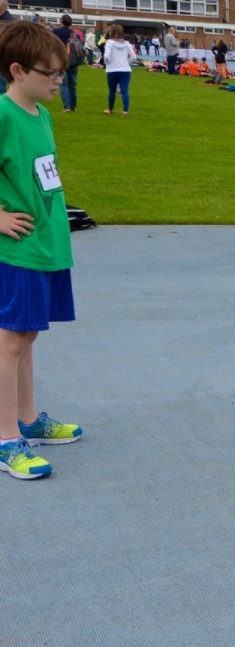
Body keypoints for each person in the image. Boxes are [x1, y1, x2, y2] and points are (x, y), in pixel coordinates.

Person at [0, 21, 85, 479]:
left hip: (45, 244)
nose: (58, 81)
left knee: (27, 335)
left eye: (60, 73)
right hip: (16, 250)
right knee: (10, 340)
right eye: (49, 73)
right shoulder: (3, 114)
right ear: (17, 70)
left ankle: (28, 419)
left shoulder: (42, 115)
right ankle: (4, 438)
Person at [102, 24, 135, 115]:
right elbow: (133, 56)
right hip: (125, 70)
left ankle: (110, 109)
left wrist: (107, 63)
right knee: (124, 91)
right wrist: (126, 62)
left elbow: (107, 56)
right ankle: (125, 111)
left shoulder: (109, 43)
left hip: (112, 70)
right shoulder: (127, 43)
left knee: (112, 91)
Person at [51, 15, 81, 112]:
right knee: (72, 84)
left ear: (62, 21)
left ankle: (66, 106)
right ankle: (73, 106)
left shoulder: (55, 32)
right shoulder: (74, 34)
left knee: (63, 84)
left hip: (61, 59)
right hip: (73, 60)